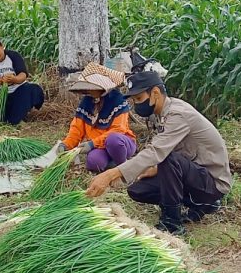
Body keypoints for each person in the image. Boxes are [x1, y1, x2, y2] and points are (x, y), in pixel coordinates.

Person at [85, 71, 231, 236]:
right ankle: (201, 204)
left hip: (212, 182)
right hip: (193, 173)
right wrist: (147, 170)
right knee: (138, 190)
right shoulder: (160, 113)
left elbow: (157, 152)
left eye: (139, 99)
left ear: (155, 93)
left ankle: (172, 223)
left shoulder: (177, 114)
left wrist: (110, 174)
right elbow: (164, 151)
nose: (137, 105)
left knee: (167, 159)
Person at [58, 63, 137, 172]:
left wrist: (92, 144)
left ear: (102, 87)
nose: (88, 90)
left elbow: (119, 130)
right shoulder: (87, 102)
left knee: (113, 140)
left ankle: (122, 168)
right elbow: (77, 129)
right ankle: (112, 163)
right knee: (93, 163)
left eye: (91, 87)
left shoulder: (118, 101)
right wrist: (66, 144)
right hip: (100, 147)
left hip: (121, 143)